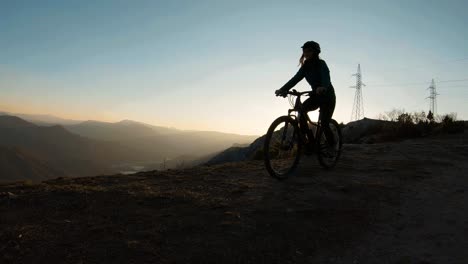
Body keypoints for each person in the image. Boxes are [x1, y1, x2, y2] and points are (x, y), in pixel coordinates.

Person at [275, 40, 336, 148]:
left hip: (327, 97)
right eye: (304, 51)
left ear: (316, 52)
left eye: (309, 51)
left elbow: (326, 77)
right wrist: (283, 89)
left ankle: (332, 146)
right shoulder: (305, 67)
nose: (306, 53)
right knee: (301, 112)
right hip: (315, 96)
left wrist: (323, 87)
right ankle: (308, 141)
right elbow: (295, 79)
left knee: (324, 123)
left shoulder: (321, 64)